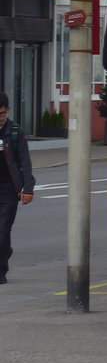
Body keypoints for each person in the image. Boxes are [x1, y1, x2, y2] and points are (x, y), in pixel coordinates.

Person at [0, 93, 35, 285]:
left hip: (8, 189)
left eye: (2, 114)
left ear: (8, 110)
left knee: (3, 231)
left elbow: (25, 161)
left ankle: (0, 270)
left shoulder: (14, 131)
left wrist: (28, 188)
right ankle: (4, 253)